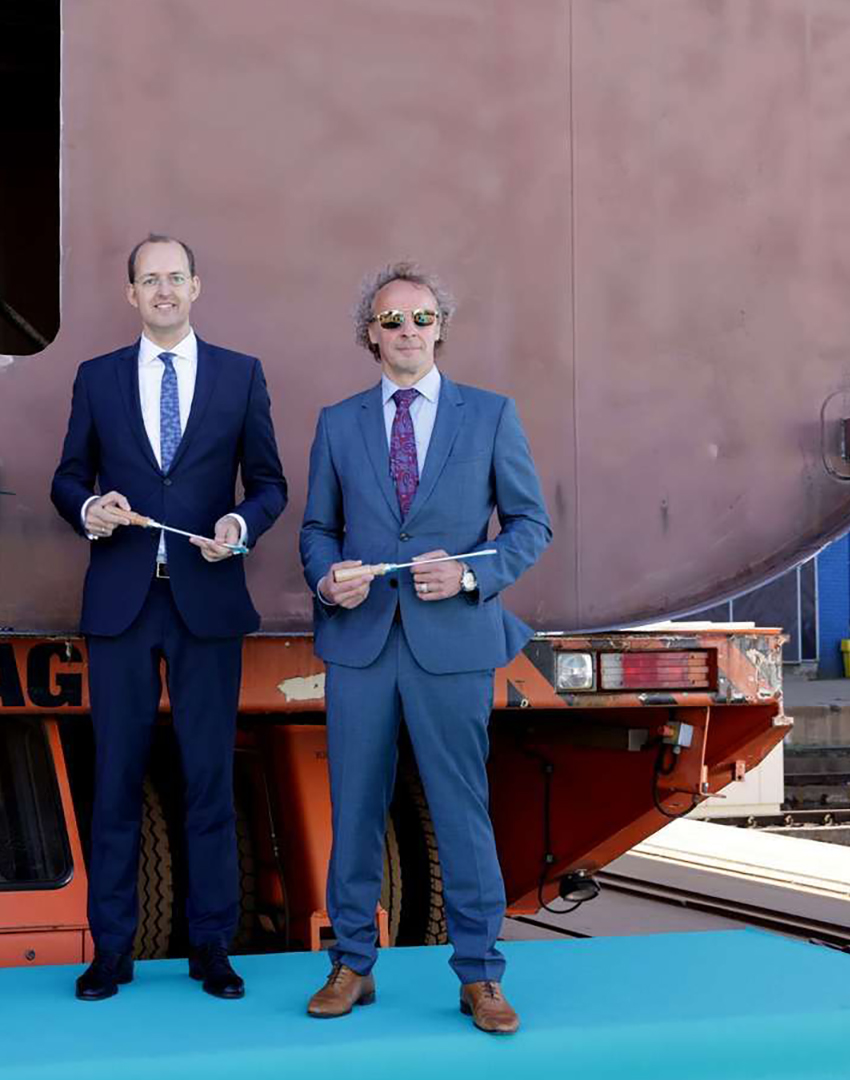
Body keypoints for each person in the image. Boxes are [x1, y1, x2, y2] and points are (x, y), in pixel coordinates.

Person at [298, 261, 551, 1035]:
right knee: (356, 807)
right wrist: (324, 579)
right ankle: (350, 965)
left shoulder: (492, 415)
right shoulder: (338, 423)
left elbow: (529, 527)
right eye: (391, 320)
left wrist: (473, 573)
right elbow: (317, 530)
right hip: (362, 642)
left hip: (454, 643)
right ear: (368, 336)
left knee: (461, 808)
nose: (406, 331)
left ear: (440, 327)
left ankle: (481, 975)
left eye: (420, 318)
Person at [50, 235, 287, 1001]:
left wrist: (241, 527)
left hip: (206, 604)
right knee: (115, 779)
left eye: (174, 277)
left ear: (196, 287)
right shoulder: (97, 378)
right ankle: (111, 950)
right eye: (148, 279)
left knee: (209, 779)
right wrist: (89, 507)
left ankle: (211, 946)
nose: (162, 290)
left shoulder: (241, 376)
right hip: (122, 604)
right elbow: (65, 478)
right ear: (131, 294)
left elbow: (271, 484)